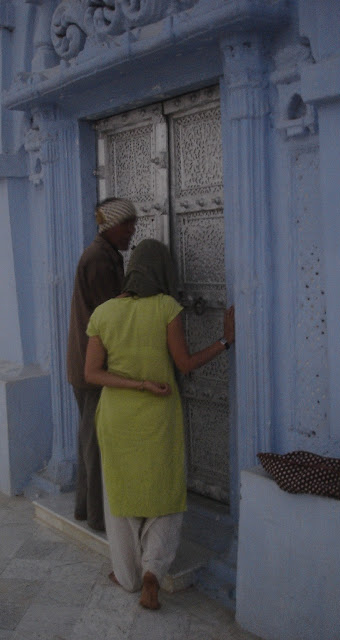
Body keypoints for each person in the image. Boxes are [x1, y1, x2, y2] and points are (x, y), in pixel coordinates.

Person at [84, 238, 235, 609]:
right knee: (164, 490)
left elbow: (91, 373)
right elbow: (184, 364)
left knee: (120, 494)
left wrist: (136, 384)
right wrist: (224, 340)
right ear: (165, 272)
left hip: (117, 417)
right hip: (159, 415)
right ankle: (153, 571)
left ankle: (127, 575)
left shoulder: (102, 314)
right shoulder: (167, 307)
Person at [67, 197, 137, 532]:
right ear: (111, 227)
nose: (131, 232)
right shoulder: (99, 260)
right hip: (92, 370)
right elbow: (111, 318)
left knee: (89, 441)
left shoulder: (105, 256)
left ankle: (85, 508)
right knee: (95, 444)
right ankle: (97, 516)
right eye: (127, 225)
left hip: (87, 366)